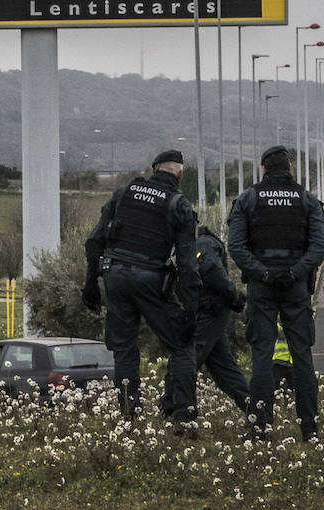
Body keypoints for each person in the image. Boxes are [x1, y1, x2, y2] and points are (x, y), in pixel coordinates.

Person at [83, 149, 200, 435]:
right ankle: (183, 418)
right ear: (180, 174)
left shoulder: (125, 193)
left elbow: (94, 241)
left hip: (115, 277)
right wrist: (191, 308)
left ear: (154, 169)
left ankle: (129, 419)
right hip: (151, 280)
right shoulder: (178, 204)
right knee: (182, 346)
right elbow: (187, 263)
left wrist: (89, 284)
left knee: (124, 350)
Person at [228, 145, 324, 442]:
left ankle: (260, 428)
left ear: (263, 169)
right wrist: (297, 271)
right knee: (302, 357)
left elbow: (236, 246)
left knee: (262, 356)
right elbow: (321, 246)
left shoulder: (249, 198)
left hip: (262, 286)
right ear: (289, 169)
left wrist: (263, 272)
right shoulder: (307, 200)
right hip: (296, 287)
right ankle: (310, 430)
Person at [185, 226, 249, 415]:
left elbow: (212, 269)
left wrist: (234, 296)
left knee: (186, 360)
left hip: (209, 313)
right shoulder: (196, 244)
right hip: (210, 314)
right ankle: (255, 411)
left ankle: (173, 409)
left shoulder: (203, 242)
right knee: (225, 370)